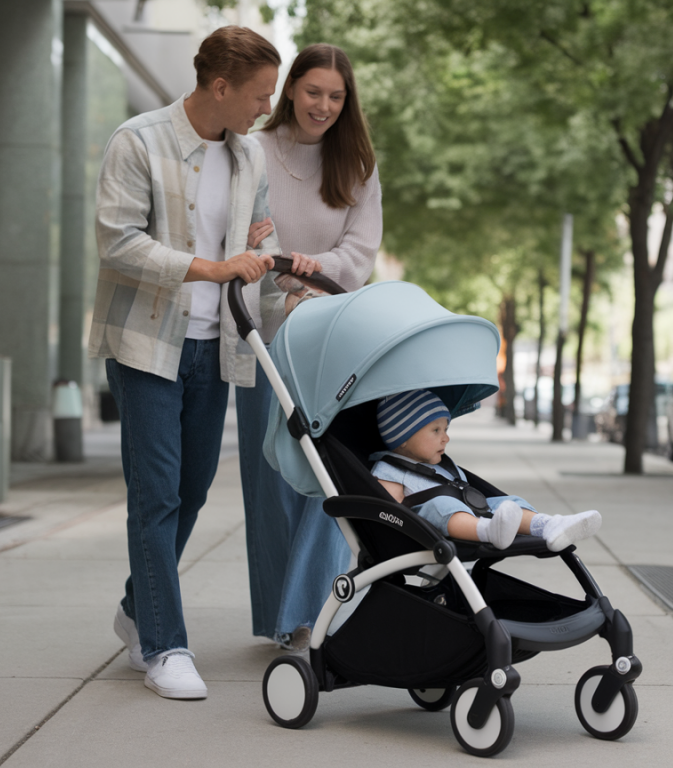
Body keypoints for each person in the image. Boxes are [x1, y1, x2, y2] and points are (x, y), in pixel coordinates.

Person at [89, 26, 283, 700]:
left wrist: (268, 251)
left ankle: (138, 606)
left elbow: (257, 231)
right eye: (258, 95)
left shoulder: (249, 155)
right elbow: (118, 242)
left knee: (194, 490)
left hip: (214, 345)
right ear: (220, 86)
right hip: (147, 345)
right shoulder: (137, 141)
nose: (265, 108)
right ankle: (164, 646)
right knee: (158, 493)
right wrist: (212, 266)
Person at [236, 44, 382, 652]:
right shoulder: (252, 152)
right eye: (314, 91)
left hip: (328, 341)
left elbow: (359, 255)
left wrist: (304, 267)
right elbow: (238, 238)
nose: (324, 105)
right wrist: (265, 258)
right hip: (260, 338)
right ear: (291, 88)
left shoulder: (358, 165)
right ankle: (284, 618)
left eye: (336, 96)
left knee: (330, 477)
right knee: (270, 479)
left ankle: (321, 609)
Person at [371, 390, 603, 551]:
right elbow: (390, 510)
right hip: (431, 525)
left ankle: (550, 525)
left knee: (508, 502)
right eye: (436, 430)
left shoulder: (440, 463)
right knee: (442, 506)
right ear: (402, 438)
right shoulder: (388, 469)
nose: (446, 437)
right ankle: (490, 531)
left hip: (472, 508)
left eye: (446, 428)